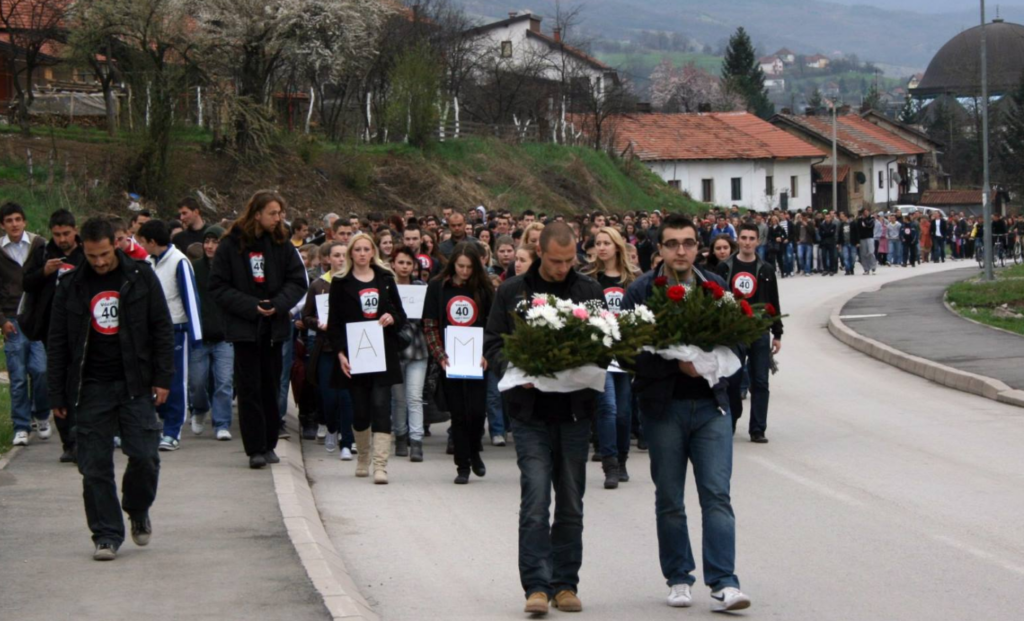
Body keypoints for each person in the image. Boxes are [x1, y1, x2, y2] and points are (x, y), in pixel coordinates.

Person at [621, 214, 751, 612]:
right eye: (673, 243)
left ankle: (724, 583)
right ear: (659, 249)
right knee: (670, 499)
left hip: (712, 407)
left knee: (717, 495)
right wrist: (676, 365)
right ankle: (679, 577)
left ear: (699, 247)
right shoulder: (641, 292)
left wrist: (712, 364)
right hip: (664, 409)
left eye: (689, 243)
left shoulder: (715, 287)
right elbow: (626, 352)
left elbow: (739, 341)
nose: (681, 250)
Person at [484, 222, 605, 615]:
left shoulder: (588, 290)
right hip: (530, 413)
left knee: (570, 502)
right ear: (540, 253)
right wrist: (518, 368)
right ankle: (536, 586)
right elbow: (493, 344)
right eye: (556, 261)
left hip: (575, 413)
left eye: (570, 261)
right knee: (536, 500)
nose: (563, 268)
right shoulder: (512, 291)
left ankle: (565, 584)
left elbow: (605, 342)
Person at [47, 217, 175, 561]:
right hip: (90, 387)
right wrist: (56, 393)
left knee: (145, 456)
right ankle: (106, 534)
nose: (100, 262)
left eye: (104, 254)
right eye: (92, 256)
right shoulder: (71, 284)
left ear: (115, 244)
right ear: (82, 248)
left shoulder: (140, 276)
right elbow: (57, 341)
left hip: (135, 383)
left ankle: (137, 507)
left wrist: (163, 377)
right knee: (94, 466)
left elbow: (161, 328)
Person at [209, 191, 308, 469]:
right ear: (257, 214)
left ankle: (269, 443)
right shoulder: (231, 245)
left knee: (271, 386)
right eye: (273, 213)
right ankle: (254, 448)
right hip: (245, 328)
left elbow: (297, 281)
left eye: (280, 213)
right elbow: (218, 286)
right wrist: (251, 306)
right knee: (249, 388)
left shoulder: (282, 244)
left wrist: (277, 304)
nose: (278, 219)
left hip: (274, 328)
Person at [327, 233, 407, 484]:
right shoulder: (340, 283)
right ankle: (363, 456)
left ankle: (381, 465)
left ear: (373, 252)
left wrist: (391, 318)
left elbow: (401, 314)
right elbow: (334, 322)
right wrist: (340, 353)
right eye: (357, 249)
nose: (362, 253)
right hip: (355, 354)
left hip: (382, 352)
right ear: (351, 253)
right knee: (360, 410)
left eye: (366, 249)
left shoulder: (386, 279)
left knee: (381, 406)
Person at [424, 242, 494, 484]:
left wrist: (487, 353)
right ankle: (462, 465)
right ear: (453, 264)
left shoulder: (484, 288)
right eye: (460, 266)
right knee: (459, 413)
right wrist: (439, 355)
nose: (464, 271)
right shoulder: (437, 286)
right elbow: (430, 324)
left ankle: (474, 451)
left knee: (476, 412)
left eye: (469, 267)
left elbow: (493, 324)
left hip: (477, 359)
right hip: (450, 359)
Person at [19, 209, 85, 461]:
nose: (62, 239)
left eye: (66, 233)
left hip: (82, 326)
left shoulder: (86, 253)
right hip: (52, 328)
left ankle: (82, 438)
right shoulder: (44, 252)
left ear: (75, 230)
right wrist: (44, 272)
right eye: (57, 234)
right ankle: (68, 442)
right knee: (57, 380)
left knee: (79, 381)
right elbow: (26, 283)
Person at [136, 220, 204, 452]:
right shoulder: (148, 262)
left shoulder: (179, 261)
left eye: (142, 242)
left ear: (152, 241)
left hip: (176, 329)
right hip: (150, 331)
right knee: (151, 380)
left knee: (175, 381)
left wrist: (195, 335)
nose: (140, 245)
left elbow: (190, 298)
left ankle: (173, 431)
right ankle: (157, 424)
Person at [581, 226, 638, 489]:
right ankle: (610, 464)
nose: (602, 247)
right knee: (607, 408)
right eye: (598, 243)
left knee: (624, 412)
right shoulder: (588, 278)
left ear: (617, 246)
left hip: (625, 351)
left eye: (607, 243)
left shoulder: (633, 279)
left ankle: (623, 459)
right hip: (599, 351)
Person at [717, 223, 783, 442]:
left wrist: (777, 333)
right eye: (743, 238)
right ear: (738, 240)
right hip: (734, 332)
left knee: (760, 382)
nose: (747, 242)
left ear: (758, 241)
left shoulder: (766, 269)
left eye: (751, 238)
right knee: (732, 380)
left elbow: (773, 302)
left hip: (759, 331)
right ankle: (731, 420)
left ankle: (758, 428)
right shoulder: (725, 267)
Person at [1, 202, 49, 448]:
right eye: (9, 220)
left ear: (25, 221)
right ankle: (21, 425)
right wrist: (2, 321)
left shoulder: (39, 245)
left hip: (36, 318)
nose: (14, 224)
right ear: (3, 225)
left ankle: (41, 413)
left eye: (18, 219)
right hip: (12, 319)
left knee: (40, 370)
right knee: (18, 376)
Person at [302, 241, 356, 460]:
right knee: (328, 396)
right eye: (336, 255)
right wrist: (318, 323)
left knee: (347, 396)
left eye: (344, 255)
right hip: (326, 348)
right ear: (328, 259)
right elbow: (306, 316)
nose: (341, 259)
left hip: (351, 347)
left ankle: (347, 441)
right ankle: (331, 427)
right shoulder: (318, 285)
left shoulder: (355, 282)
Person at [187, 225, 234, 441]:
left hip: (225, 336)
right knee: (197, 382)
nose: (209, 246)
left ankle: (222, 423)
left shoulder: (231, 269)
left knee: (224, 382)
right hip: (200, 336)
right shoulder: (194, 268)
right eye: (207, 241)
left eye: (215, 242)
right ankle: (199, 409)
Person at [390, 246, 428, 461]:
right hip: (394, 348)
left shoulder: (421, 287)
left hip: (417, 347)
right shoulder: (387, 286)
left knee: (414, 396)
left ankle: (416, 441)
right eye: (400, 262)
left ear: (414, 266)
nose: (404, 267)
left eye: (408, 263)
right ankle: (400, 436)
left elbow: (429, 315)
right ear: (393, 264)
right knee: (398, 398)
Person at [856, 209, 877, 275]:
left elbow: (870, 226)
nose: (866, 213)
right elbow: (858, 229)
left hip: (869, 237)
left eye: (867, 212)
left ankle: (873, 267)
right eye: (864, 212)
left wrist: (865, 221)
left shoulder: (871, 219)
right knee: (863, 254)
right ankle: (866, 269)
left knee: (871, 252)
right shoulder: (859, 220)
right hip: (862, 238)